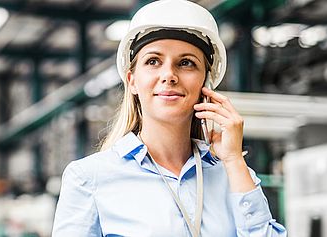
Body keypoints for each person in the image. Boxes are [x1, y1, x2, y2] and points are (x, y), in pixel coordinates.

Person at [51, 0, 287, 236]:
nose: (169, 75)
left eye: (186, 63)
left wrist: (235, 161)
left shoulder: (233, 176)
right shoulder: (90, 178)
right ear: (132, 81)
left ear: (205, 82)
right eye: (153, 61)